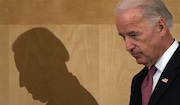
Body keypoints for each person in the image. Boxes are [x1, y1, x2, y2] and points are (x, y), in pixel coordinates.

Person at [115, 0, 180, 105]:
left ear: (160, 27)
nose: (128, 46)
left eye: (134, 35)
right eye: (123, 37)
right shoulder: (139, 81)